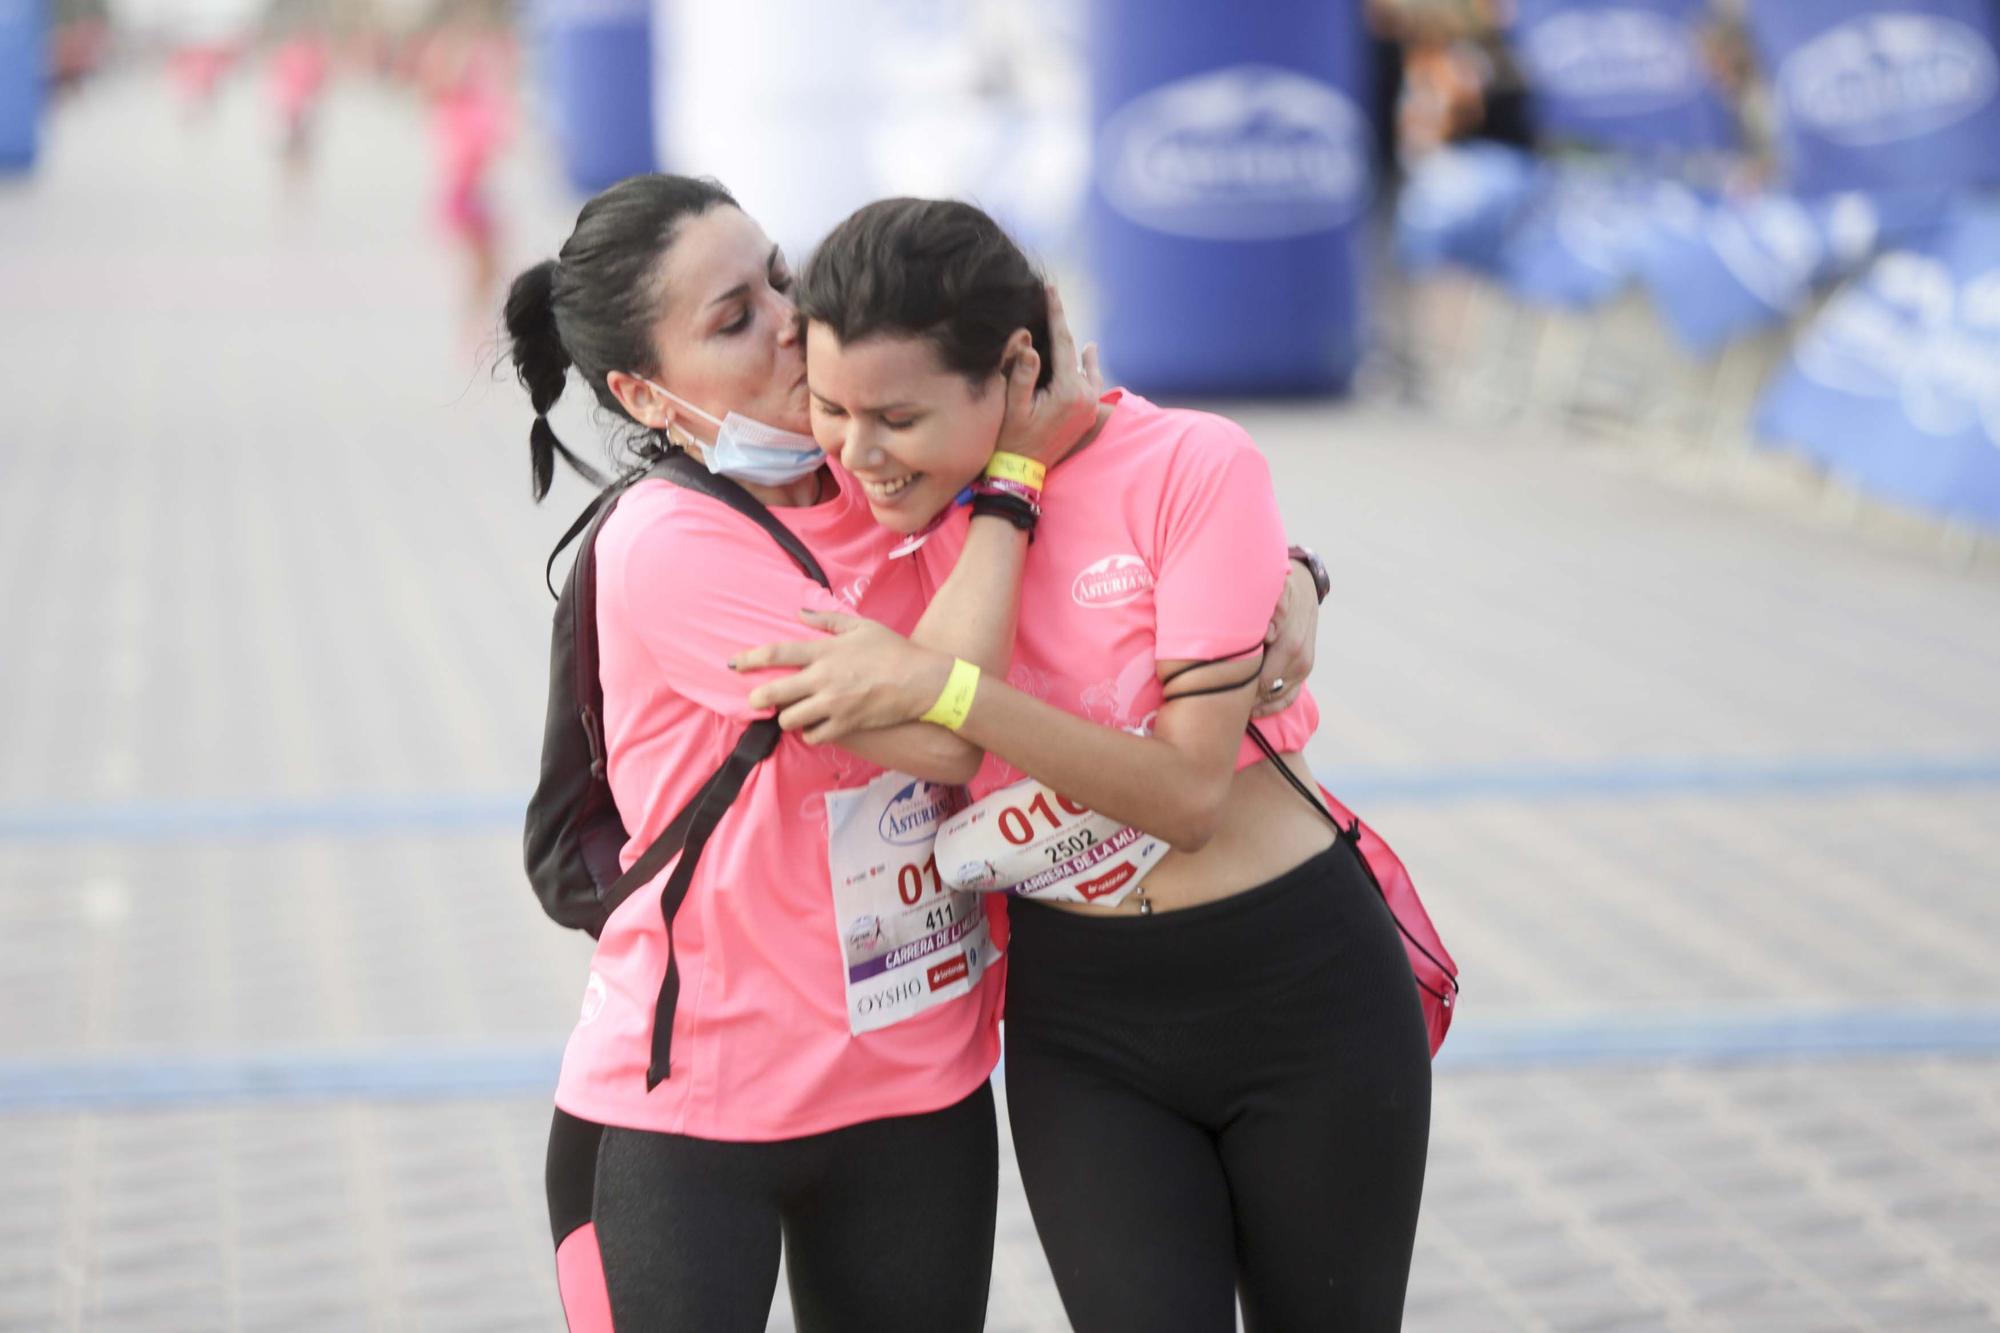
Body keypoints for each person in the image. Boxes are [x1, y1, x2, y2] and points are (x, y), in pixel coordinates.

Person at [501, 174, 1323, 1330]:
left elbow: (1140, 487)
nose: (790, 320)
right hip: (690, 1103)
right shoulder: (672, 543)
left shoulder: (891, 473)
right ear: (644, 392)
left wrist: (1290, 572)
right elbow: (939, 736)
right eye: (734, 317)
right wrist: (1008, 487)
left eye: (780, 277)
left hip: (913, 1081)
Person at [737, 197, 1433, 1331]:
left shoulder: (1189, 461)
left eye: (898, 415)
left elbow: (1187, 795)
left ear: (1015, 368)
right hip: (1081, 1021)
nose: (858, 454)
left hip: (1298, 988)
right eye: (830, 407)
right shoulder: (887, 521)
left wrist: (948, 687)